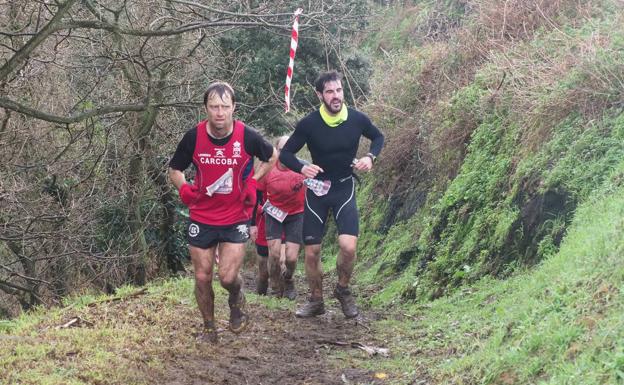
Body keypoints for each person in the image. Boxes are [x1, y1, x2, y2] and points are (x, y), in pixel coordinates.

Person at [168, 81, 277, 343]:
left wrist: (253, 181)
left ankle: (236, 297)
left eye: (225, 107)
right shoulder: (193, 137)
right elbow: (174, 170)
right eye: (214, 107)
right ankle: (209, 327)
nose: (219, 113)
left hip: (235, 215)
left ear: (233, 108)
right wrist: (184, 189)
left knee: (227, 277)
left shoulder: (247, 136)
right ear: (205, 108)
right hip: (202, 215)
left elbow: (272, 156)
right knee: (202, 275)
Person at [279, 70, 384, 319]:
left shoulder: (357, 119)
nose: (335, 96)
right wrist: (302, 167)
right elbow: (285, 154)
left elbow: (378, 137)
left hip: (344, 187)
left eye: (338, 90)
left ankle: (343, 289)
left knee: (348, 246)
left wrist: (370, 157)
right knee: (312, 250)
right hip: (317, 190)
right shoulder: (309, 123)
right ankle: (316, 300)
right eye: (329, 92)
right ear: (320, 95)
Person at [256, 136, 306, 300]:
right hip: (274, 214)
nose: (286, 153)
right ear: (276, 150)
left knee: (291, 258)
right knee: (275, 255)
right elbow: (256, 191)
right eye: (282, 150)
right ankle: (276, 288)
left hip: (296, 214)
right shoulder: (268, 168)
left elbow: (320, 185)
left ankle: (289, 279)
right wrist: (252, 221)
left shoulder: (302, 167)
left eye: (289, 149)